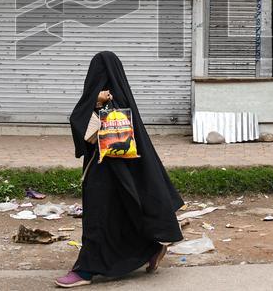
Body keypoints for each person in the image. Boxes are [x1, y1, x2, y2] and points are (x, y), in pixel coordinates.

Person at [57, 51, 184, 288]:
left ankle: (86, 270)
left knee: (97, 216)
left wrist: (94, 104)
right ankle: (150, 249)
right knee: (120, 215)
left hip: (105, 172)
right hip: (119, 172)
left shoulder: (110, 101)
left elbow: (84, 131)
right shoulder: (120, 98)